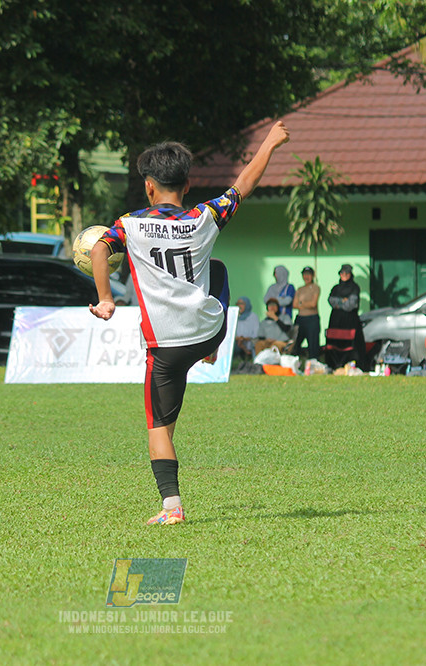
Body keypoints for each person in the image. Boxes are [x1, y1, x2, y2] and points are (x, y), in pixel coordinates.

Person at [88, 120, 290, 526]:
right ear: (186, 184)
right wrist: (269, 143)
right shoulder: (203, 217)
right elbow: (243, 185)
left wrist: (106, 300)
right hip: (206, 331)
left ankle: (171, 507)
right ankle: (216, 348)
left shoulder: (130, 224)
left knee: (157, 426)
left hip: (164, 345)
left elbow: (98, 248)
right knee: (216, 267)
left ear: (149, 186)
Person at [327, 263, 367, 369]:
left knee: (351, 346)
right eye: (342, 273)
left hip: (350, 322)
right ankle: (335, 365)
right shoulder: (336, 288)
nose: (344, 275)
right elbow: (331, 301)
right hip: (336, 322)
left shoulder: (355, 287)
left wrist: (338, 303)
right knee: (335, 345)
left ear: (350, 274)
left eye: (346, 273)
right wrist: (343, 301)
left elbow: (351, 305)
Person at [293, 266, 321, 359]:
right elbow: (294, 305)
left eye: (308, 274)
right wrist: (304, 304)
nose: (306, 276)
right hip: (300, 318)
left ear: (312, 276)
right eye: (304, 274)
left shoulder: (315, 288)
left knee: (313, 344)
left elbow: (313, 304)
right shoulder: (300, 289)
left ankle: (314, 362)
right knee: (295, 342)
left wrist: (301, 303)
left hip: (312, 319)